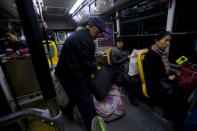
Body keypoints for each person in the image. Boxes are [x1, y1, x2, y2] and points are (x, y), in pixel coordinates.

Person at [55, 17, 108, 131]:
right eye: (99, 32)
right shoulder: (86, 40)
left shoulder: (78, 34)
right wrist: (96, 68)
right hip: (72, 75)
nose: (98, 35)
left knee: (73, 97)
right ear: (92, 27)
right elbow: (86, 64)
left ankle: (68, 113)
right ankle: (93, 128)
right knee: (86, 102)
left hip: (64, 73)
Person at [143, 31, 188, 130]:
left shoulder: (161, 54)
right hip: (155, 88)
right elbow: (150, 75)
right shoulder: (152, 55)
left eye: (169, 41)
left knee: (180, 91)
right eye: (166, 40)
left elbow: (163, 70)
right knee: (179, 99)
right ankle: (177, 122)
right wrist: (168, 77)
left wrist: (172, 73)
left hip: (160, 82)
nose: (168, 44)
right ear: (157, 41)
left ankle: (174, 115)